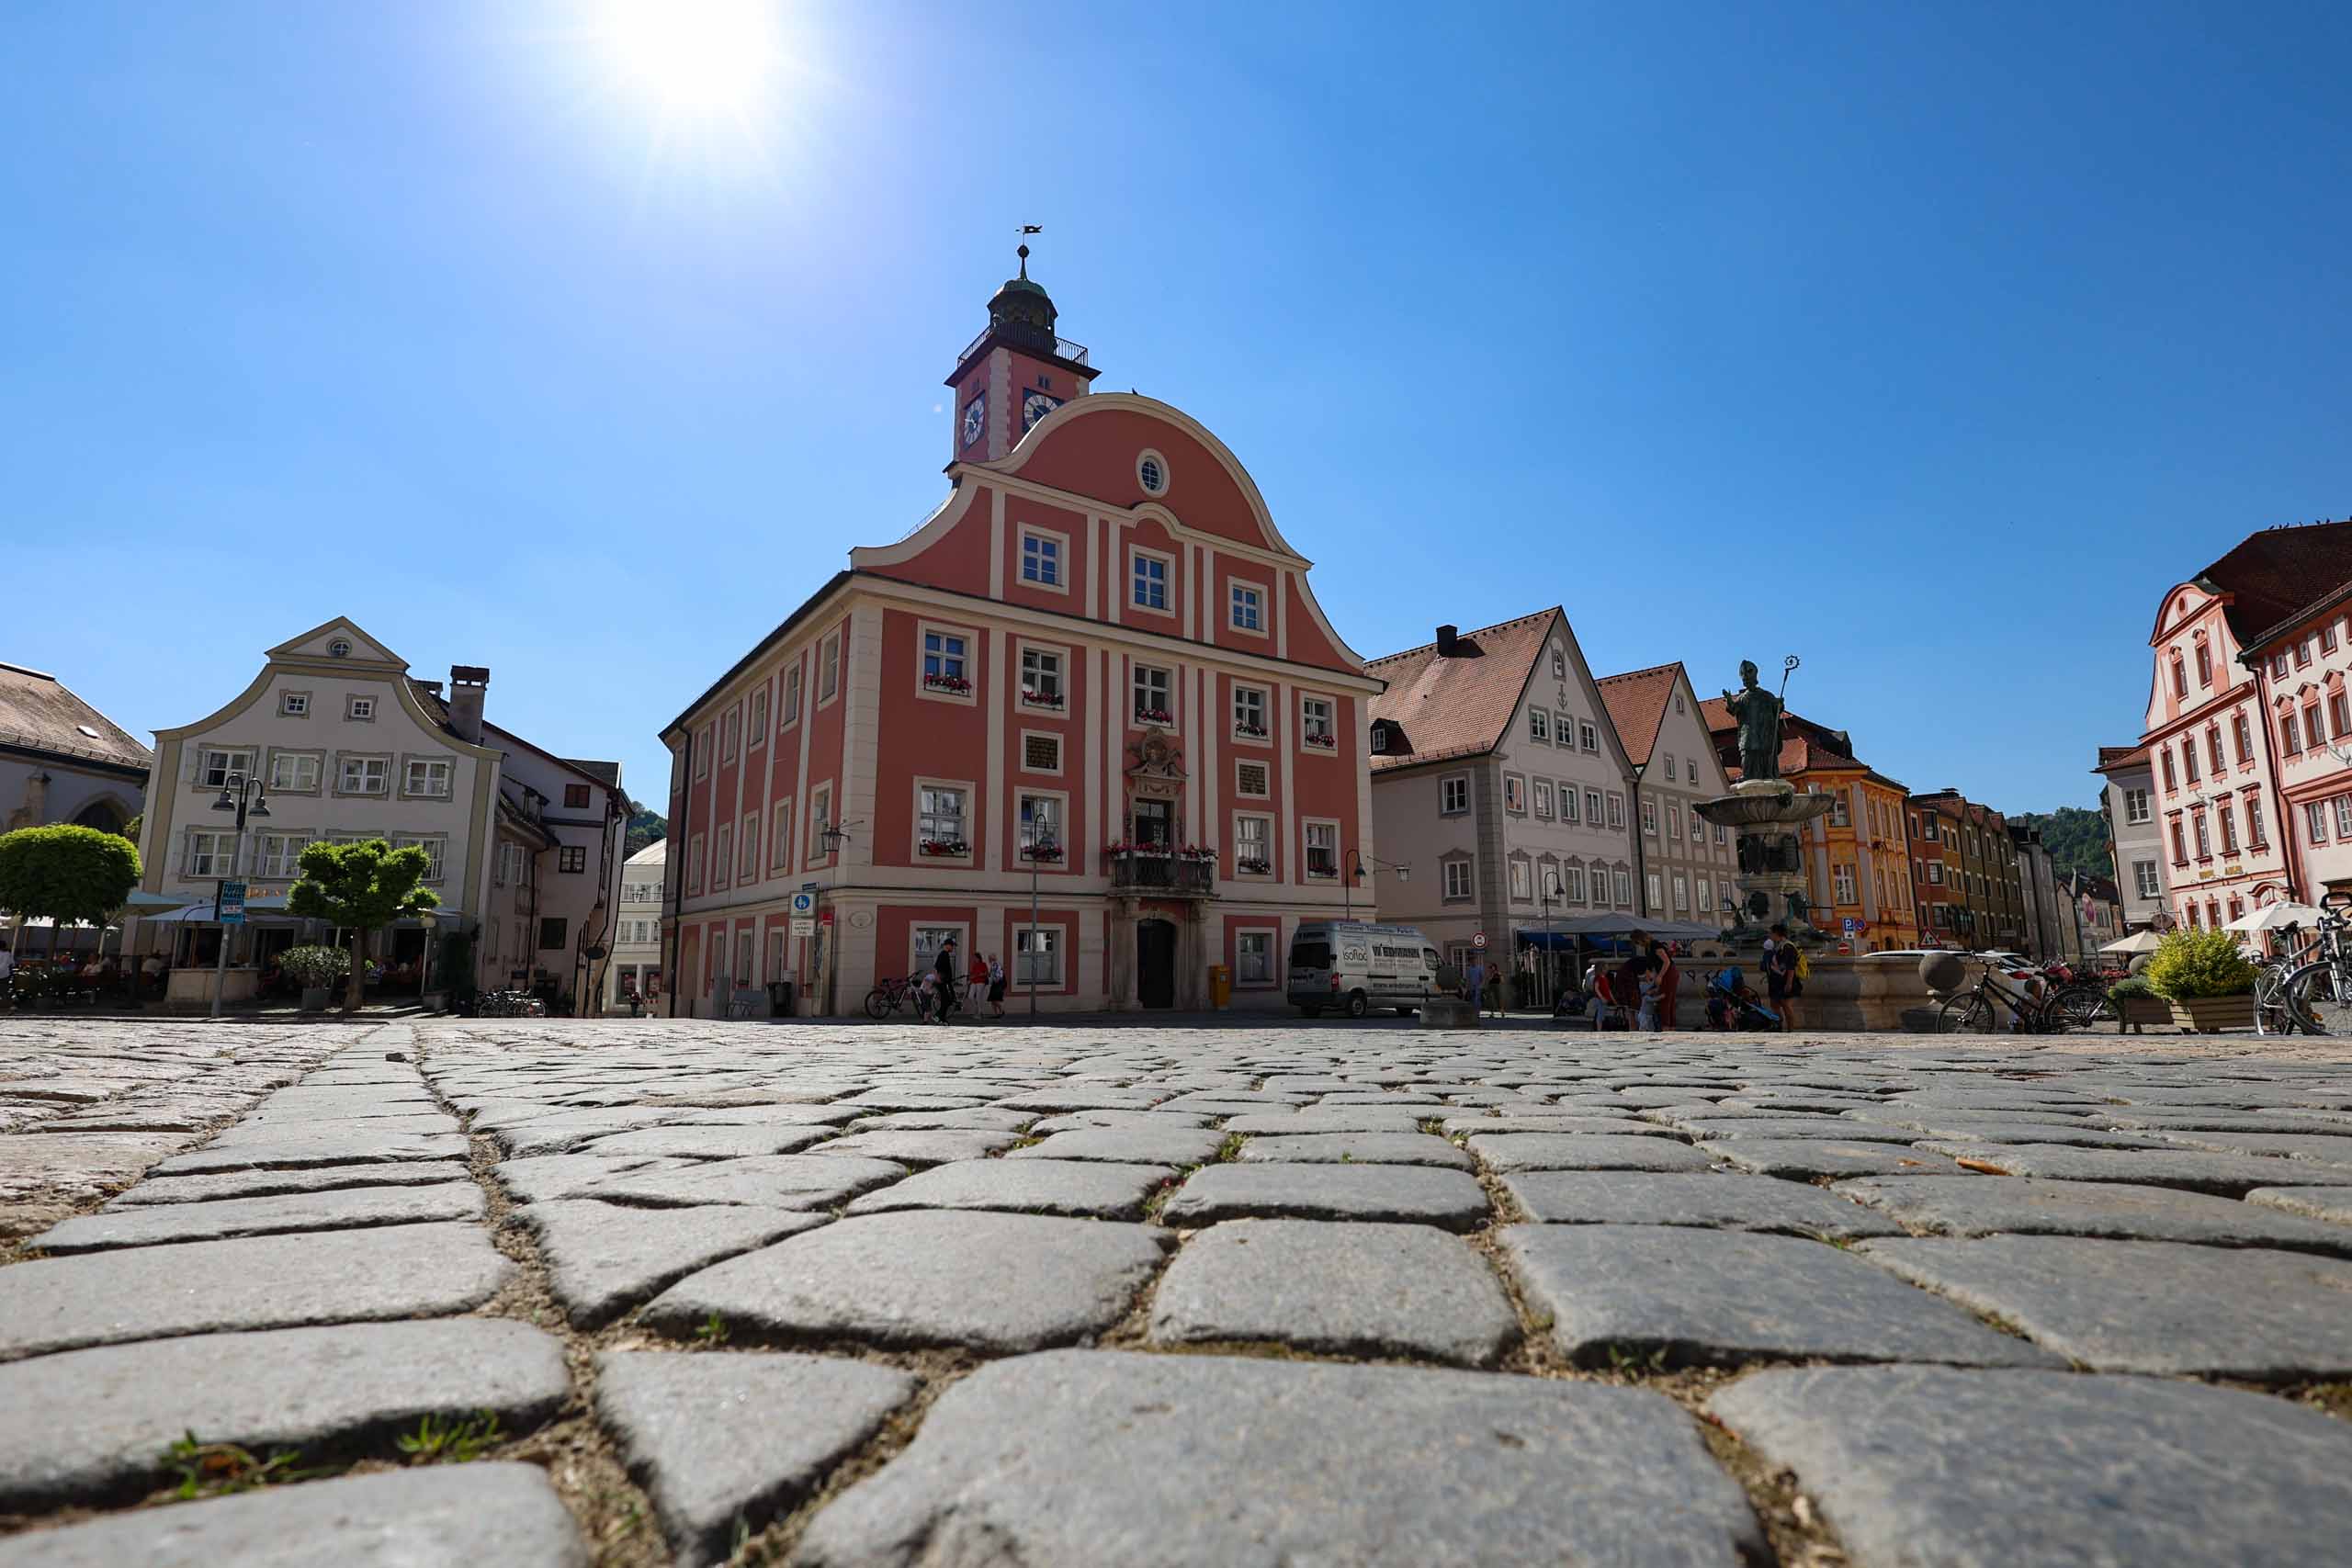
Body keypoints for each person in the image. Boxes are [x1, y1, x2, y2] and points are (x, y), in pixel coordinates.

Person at [1763, 922, 1802, 1030]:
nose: (1769, 936)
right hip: (1776, 982)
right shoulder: (1778, 946)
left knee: (1786, 1005)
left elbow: (1791, 967)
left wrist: (1789, 983)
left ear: (1776, 934)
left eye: (1771, 933)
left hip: (1785, 981)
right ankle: (1778, 1026)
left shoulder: (1787, 946)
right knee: (1774, 1004)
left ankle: (1790, 1029)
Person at [932, 936, 960, 1023]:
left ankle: (942, 1018)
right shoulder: (943, 954)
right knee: (947, 1000)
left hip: (946, 981)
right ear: (947, 945)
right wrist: (938, 978)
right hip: (943, 981)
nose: (953, 948)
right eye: (952, 946)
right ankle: (937, 1016)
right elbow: (936, 968)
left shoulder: (945, 954)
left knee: (947, 1000)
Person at [986, 953, 1007, 1018]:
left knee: (995, 999)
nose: (988, 959)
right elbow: (991, 974)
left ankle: (1001, 1011)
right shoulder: (993, 965)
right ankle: (996, 1014)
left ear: (992, 959)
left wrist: (995, 980)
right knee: (992, 1000)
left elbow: (999, 975)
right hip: (995, 984)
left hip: (997, 984)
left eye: (989, 958)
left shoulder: (996, 964)